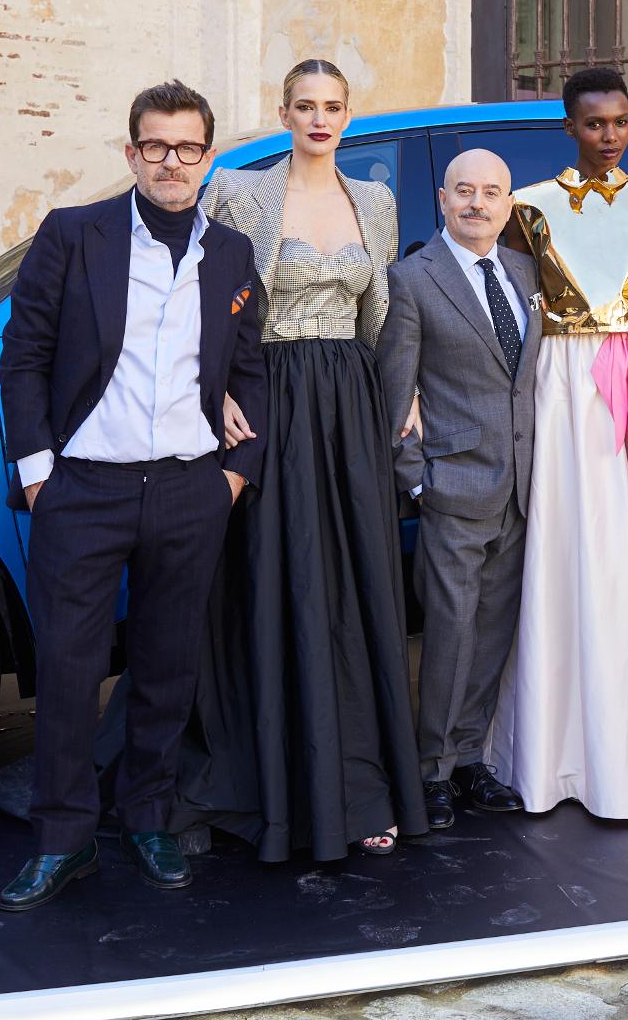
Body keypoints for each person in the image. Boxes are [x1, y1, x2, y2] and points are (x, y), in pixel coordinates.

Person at [0, 81, 267, 911]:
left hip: (189, 489)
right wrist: (40, 477)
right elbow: (23, 358)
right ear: (132, 154)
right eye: (156, 146)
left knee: (164, 668)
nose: (172, 162)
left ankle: (149, 818)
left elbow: (249, 367)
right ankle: (63, 839)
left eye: (188, 148)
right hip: (83, 492)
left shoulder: (229, 255)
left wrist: (232, 475)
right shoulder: (75, 235)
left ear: (208, 158)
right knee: (71, 672)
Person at [177, 58, 427, 858]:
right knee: (273, 583)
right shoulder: (240, 193)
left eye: (334, 107)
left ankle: (359, 788)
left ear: (349, 116)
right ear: (283, 112)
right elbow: (200, 302)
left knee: (355, 587)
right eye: (306, 106)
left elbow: (382, 315)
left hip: (350, 404)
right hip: (269, 396)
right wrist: (215, 393)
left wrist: (404, 394)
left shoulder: (377, 201)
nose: (320, 119)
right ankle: (276, 788)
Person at [487, 66, 628, 819]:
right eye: (594, 123)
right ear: (568, 126)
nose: (610, 135)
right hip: (564, 383)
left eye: (619, 122)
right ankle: (562, 753)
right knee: (570, 544)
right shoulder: (529, 206)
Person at [378, 149, 540, 831]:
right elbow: (394, 389)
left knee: (495, 630)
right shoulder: (412, 279)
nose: (478, 204)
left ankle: (471, 757)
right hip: (453, 487)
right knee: (449, 631)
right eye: (465, 192)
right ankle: (433, 770)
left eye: (492, 193)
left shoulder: (526, 272)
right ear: (443, 199)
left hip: (523, 488)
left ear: (509, 204)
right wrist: (419, 482)